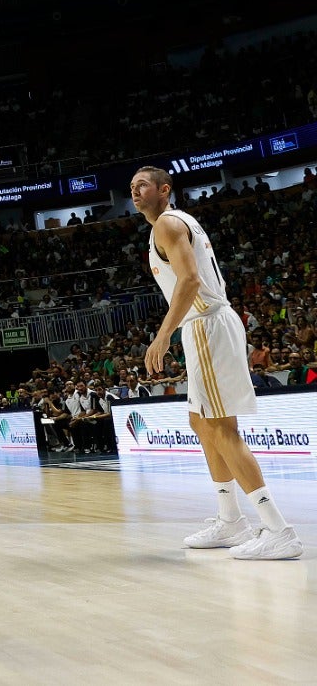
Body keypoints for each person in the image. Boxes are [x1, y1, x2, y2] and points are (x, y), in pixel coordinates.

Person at [133, 166, 301, 559]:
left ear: (164, 189)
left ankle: (278, 529)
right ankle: (230, 519)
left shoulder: (168, 225)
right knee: (200, 421)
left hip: (206, 324)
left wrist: (162, 335)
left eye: (142, 185)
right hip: (204, 325)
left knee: (221, 427)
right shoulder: (175, 223)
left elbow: (190, 281)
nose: (135, 192)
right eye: (131, 187)